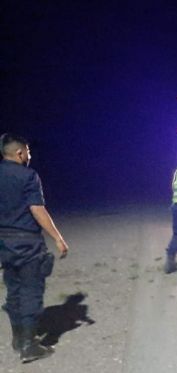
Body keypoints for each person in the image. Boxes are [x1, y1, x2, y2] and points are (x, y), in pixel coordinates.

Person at [0, 133, 69, 363]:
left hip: (4, 243)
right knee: (31, 291)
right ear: (19, 153)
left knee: (14, 290)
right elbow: (37, 210)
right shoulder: (28, 175)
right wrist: (57, 237)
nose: (30, 155)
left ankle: (18, 338)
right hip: (27, 242)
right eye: (28, 151)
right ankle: (29, 346)